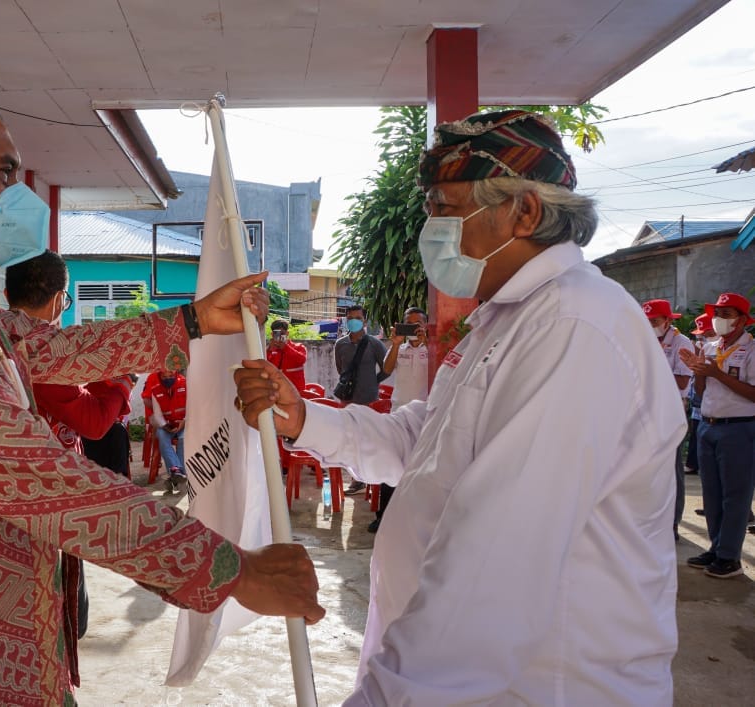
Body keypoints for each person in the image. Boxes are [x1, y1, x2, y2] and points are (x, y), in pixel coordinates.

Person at [0, 80, 323, 705]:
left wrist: (192, 322)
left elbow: (40, 347)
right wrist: (232, 568)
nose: (19, 197)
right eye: (2, 173)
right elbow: (41, 479)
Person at [234, 109, 685, 705]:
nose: (431, 228)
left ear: (523, 211)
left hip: (539, 685)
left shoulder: (574, 325)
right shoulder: (509, 319)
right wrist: (305, 419)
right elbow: (426, 447)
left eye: (445, 209)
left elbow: (497, 564)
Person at [5, 250, 134, 652]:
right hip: (43, 497)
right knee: (54, 617)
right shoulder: (41, 345)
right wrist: (121, 384)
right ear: (61, 299)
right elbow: (95, 422)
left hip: (4, 488)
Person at [681, 292, 755, 579]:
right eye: (718, 314)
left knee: (735, 495)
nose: (720, 319)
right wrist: (699, 370)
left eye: (727, 314)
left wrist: (717, 373)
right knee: (711, 494)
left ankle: (730, 557)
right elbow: (702, 391)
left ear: (742, 320)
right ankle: (716, 547)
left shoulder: (751, 350)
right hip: (709, 425)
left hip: (739, 427)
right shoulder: (710, 346)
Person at [368, 307, 429, 532]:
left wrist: (428, 341)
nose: (413, 327)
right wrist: (394, 343)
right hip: (399, 413)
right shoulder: (399, 348)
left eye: (417, 323)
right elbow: (386, 368)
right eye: (408, 323)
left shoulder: (432, 348)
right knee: (391, 462)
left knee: (421, 467)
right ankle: (383, 517)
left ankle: (416, 517)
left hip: (424, 415)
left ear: (425, 325)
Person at [642, 298, 695, 541]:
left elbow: (683, 382)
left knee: (673, 470)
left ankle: (672, 523)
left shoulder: (682, 343)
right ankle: (652, 519)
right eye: (647, 320)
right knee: (650, 469)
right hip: (647, 412)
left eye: (654, 320)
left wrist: (649, 376)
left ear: (666, 320)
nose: (650, 324)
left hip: (672, 410)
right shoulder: (647, 341)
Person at [335, 305, 388, 494]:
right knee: (350, 440)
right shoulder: (340, 344)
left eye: (357, 317)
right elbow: (340, 369)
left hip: (370, 400)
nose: (353, 321)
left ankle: (372, 479)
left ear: (364, 321)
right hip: (348, 400)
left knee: (370, 440)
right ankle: (356, 480)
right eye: (350, 318)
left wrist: (373, 381)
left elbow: (387, 367)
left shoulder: (374, 344)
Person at [142, 369, 188, 494]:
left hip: (184, 423)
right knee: (162, 437)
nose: (168, 378)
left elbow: (192, 407)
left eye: (171, 375)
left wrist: (184, 421)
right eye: (164, 376)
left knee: (183, 439)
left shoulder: (186, 384)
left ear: (176, 374)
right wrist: (165, 426)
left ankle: (175, 475)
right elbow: (157, 413)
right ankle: (177, 472)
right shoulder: (155, 389)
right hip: (166, 424)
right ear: (160, 376)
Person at [684, 313, 713, 475]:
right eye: (701, 336)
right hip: (698, 403)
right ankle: (694, 463)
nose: (702, 340)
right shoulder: (701, 351)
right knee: (696, 434)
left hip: (715, 408)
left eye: (707, 335)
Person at [266, 319, 307, 391]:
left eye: (282, 333)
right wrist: (269, 350)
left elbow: (301, 360)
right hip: (276, 390)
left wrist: (285, 347)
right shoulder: (271, 350)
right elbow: (264, 365)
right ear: (272, 334)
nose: (280, 336)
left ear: (287, 333)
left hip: (296, 391)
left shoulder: (298, 347)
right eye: (277, 333)